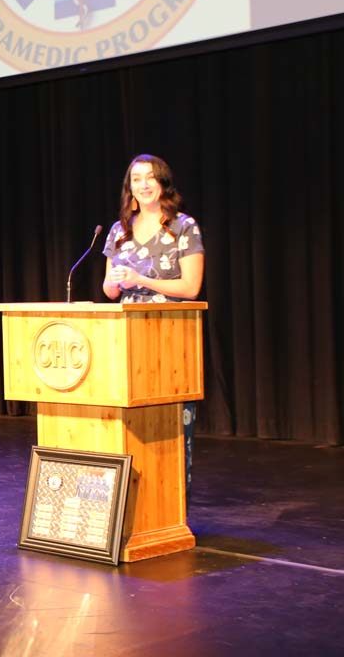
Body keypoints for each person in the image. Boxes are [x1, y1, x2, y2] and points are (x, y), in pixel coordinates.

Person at [102, 153, 205, 496]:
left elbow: (191, 288)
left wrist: (141, 278)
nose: (143, 184)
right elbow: (108, 289)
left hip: (168, 335)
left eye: (150, 177)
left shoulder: (182, 226)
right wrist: (118, 282)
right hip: (127, 335)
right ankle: (129, 502)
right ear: (129, 187)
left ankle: (171, 502)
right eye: (136, 179)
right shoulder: (120, 229)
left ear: (162, 184)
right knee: (128, 420)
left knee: (170, 421)